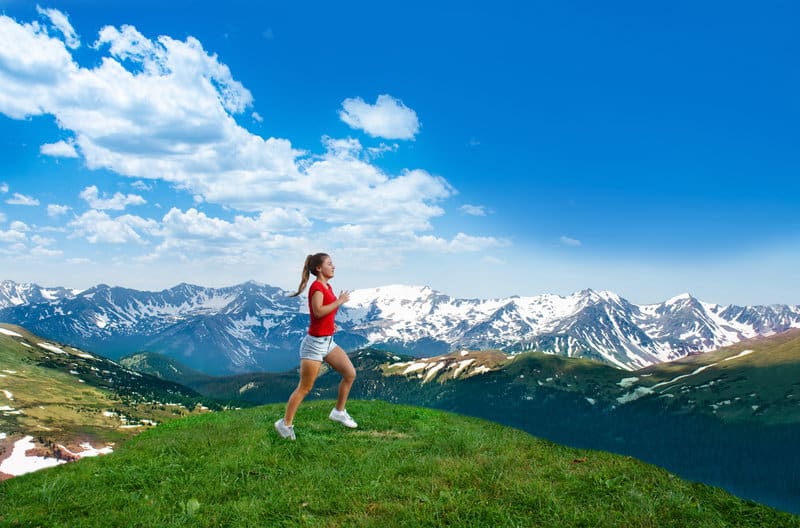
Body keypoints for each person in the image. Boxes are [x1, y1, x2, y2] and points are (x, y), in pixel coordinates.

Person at [275, 253, 357, 440]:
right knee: (305, 388)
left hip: (327, 342)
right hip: (314, 345)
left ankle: (339, 411)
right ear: (319, 268)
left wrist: (331, 325)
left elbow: (322, 316)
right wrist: (340, 301)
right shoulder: (317, 287)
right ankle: (285, 424)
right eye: (330, 264)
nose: (333, 266)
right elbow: (318, 312)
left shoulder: (327, 286)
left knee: (350, 374)